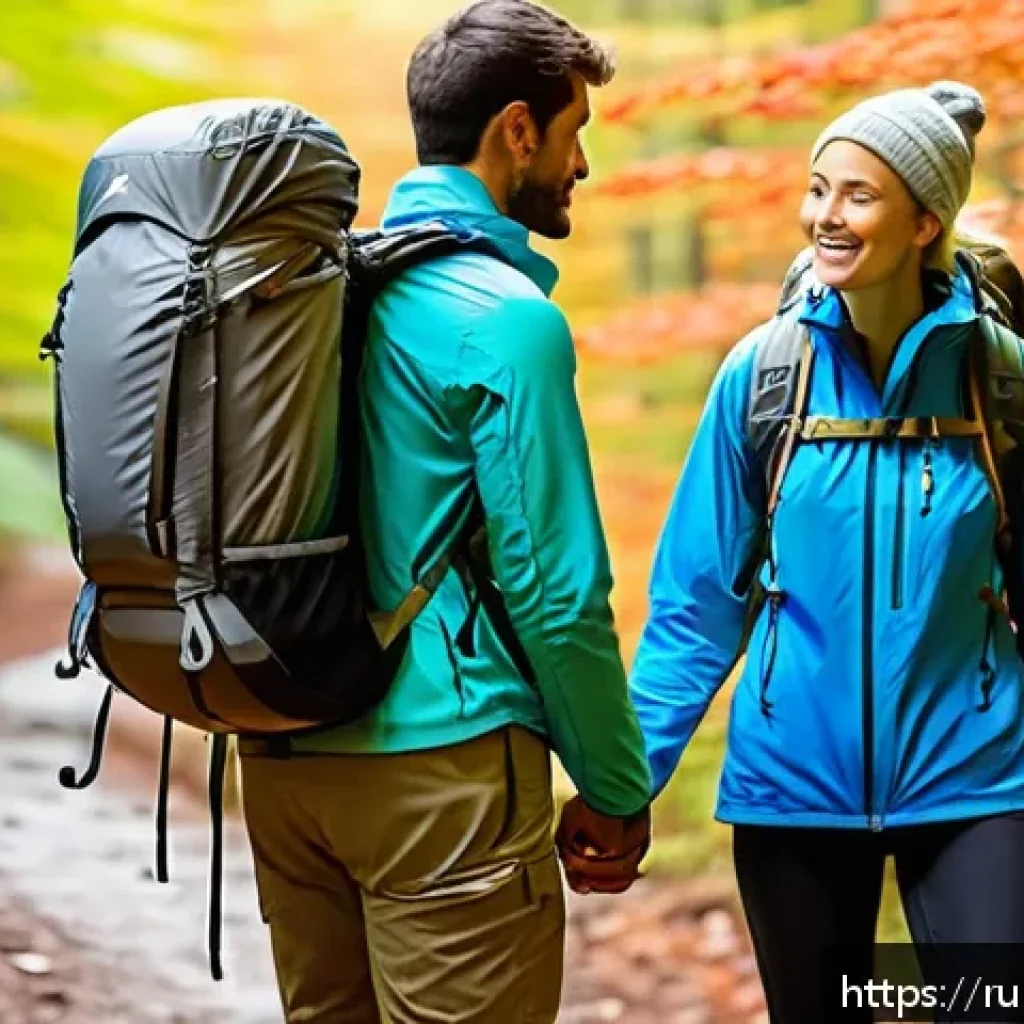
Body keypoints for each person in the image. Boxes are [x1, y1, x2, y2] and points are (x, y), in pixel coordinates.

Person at [234, 2, 652, 1021]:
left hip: (284, 756)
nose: (580, 166)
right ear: (517, 129)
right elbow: (554, 591)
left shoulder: (323, 290)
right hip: (441, 772)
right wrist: (613, 785)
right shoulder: (505, 319)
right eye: (573, 133)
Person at [623, 81, 1024, 1022]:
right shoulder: (762, 378)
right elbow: (696, 604)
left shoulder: (1000, 380)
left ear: (927, 222)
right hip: (791, 787)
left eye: (857, 194)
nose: (824, 216)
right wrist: (626, 782)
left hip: (976, 775)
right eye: (816, 188)